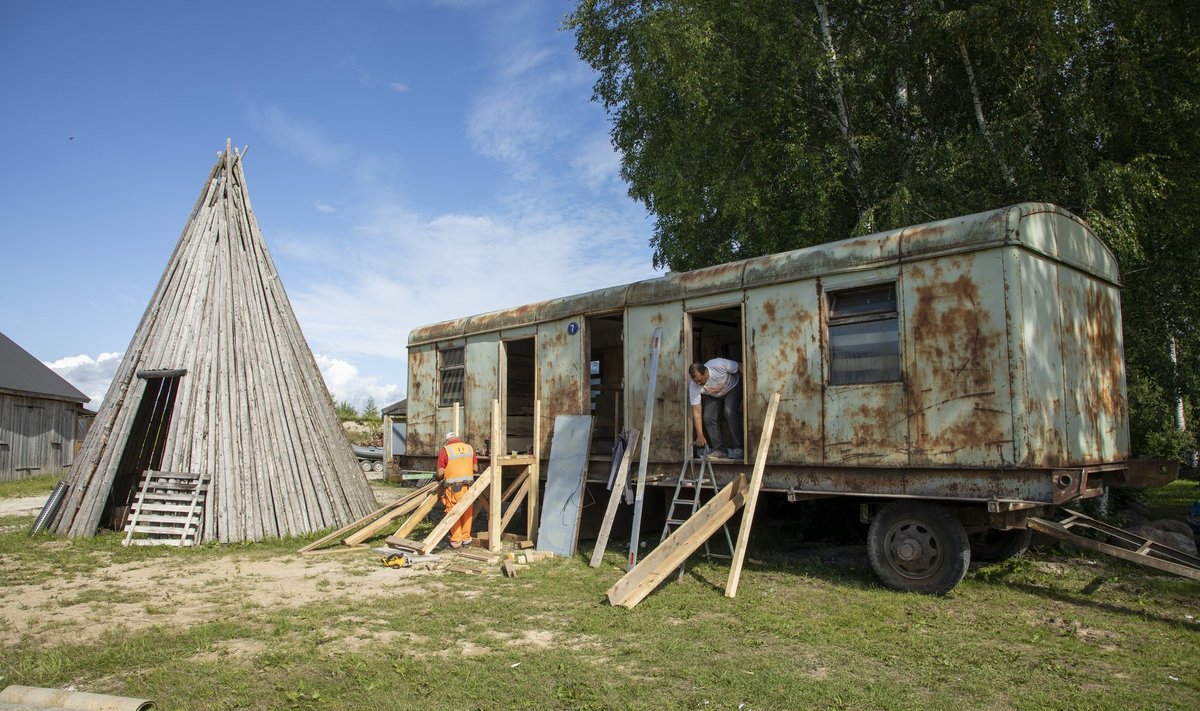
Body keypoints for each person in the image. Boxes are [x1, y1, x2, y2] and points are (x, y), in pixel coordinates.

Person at [688, 358, 744, 459]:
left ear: (705, 371)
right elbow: (696, 412)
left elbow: (740, 366)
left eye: (700, 380)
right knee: (708, 417)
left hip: (733, 387)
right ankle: (720, 449)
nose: (699, 384)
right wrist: (700, 434)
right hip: (714, 395)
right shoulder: (694, 386)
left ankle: (740, 448)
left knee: (729, 411)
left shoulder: (718, 365)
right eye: (696, 382)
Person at [436, 431, 478, 549]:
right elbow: (475, 468)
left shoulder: (446, 450)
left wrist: (438, 476)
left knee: (453, 512)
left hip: (454, 488)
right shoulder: (469, 448)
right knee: (467, 511)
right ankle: (466, 539)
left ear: (447, 441)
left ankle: (456, 541)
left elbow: (440, 472)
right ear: (458, 439)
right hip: (469, 487)